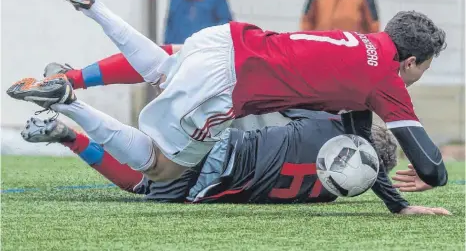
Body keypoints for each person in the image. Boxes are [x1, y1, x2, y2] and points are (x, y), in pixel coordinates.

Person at [8, 0, 448, 190]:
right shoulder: (385, 81)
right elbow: (431, 165)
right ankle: (69, 101)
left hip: (230, 40)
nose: (417, 79)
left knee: (163, 66)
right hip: (230, 86)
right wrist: (430, 179)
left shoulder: (359, 41)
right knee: (163, 169)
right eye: (423, 70)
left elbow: (356, 130)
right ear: (409, 61)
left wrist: (397, 202)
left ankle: (91, 6)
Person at [19, 109, 450, 215]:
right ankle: (72, 121)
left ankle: (71, 121)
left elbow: (289, 105)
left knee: (145, 172)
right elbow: (369, 171)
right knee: (143, 178)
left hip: (222, 145)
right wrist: (399, 204)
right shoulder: (334, 192)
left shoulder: (330, 127)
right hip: (217, 180)